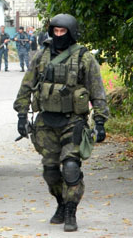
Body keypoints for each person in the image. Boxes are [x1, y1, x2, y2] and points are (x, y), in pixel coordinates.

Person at [13, 13, 109, 232]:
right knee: (50, 172)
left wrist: (100, 121)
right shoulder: (41, 56)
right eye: (55, 31)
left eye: (62, 32)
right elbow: (26, 86)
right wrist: (21, 115)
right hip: (46, 122)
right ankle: (61, 204)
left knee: (71, 167)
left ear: (71, 33)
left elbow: (97, 90)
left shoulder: (84, 58)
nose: (58, 35)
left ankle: (71, 212)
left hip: (73, 121)